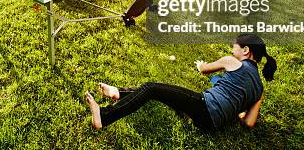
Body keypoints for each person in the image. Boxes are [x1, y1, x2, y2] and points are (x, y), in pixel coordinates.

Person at [84, 33, 277, 130]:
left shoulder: (232, 61)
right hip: (211, 124)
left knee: (152, 88)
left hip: (204, 107)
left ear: (245, 51)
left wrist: (201, 64)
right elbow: (249, 122)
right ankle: (118, 92)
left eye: (234, 47)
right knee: (164, 94)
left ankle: (104, 116)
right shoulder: (259, 90)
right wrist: (237, 107)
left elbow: (203, 70)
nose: (232, 50)